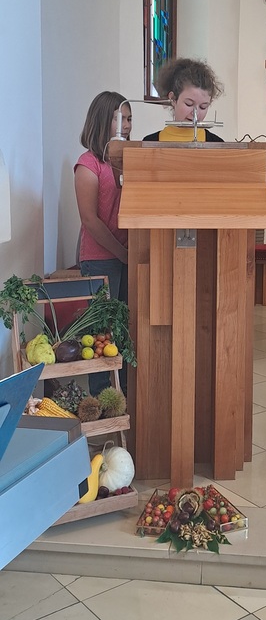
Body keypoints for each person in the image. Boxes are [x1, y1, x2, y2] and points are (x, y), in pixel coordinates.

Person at [74, 91, 132, 395]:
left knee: (124, 329)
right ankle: (100, 397)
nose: (127, 125)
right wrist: (122, 253)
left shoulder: (127, 161)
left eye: (130, 119)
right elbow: (90, 220)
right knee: (103, 333)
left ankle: (125, 394)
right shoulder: (88, 165)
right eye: (120, 119)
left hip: (127, 255)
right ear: (101, 121)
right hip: (100, 258)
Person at [143, 58, 224, 142]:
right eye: (189, 104)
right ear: (173, 99)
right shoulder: (149, 142)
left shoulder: (217, 143)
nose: (196, 113)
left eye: (203, 107)